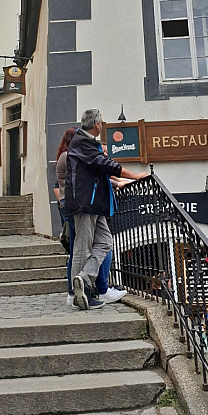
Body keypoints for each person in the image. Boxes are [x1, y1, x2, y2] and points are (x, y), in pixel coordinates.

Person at [64, 108, 146, 310]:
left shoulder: (84, 142)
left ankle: (83, 280)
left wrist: (119, 182)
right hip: (86, 203)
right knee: (82, 249)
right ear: (97, 124)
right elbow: (103, 164)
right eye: (102, 121)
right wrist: (134, 176)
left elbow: (99, 169)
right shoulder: (82, 141)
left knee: (106, 242)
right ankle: (78, 295)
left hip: (94, 204)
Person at [55, 128, 125, 306]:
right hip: (83, 205)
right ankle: (82, 291)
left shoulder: (69, 155)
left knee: (94, 244)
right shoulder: (71, 155)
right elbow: (88, 177)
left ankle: (83, 284)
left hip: (80, 204)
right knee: (82, 247)